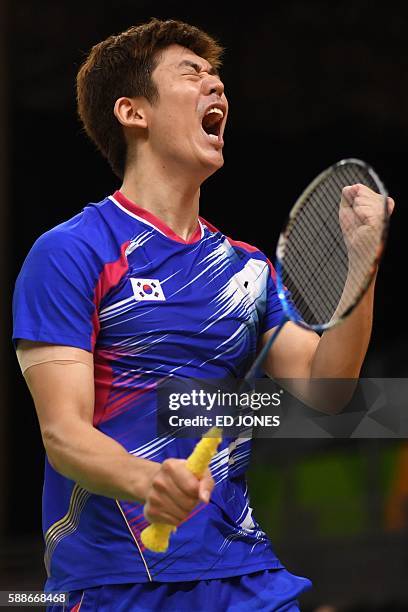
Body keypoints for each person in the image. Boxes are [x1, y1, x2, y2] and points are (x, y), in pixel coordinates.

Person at [12, 18, 394, 612]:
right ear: (132, 112)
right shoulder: (72, 251)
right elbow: (63, 432)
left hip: (246, 570)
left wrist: (362, 269)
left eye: (218, 77)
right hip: (120, 576)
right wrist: (148, 482)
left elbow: (329, 387)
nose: (217, 87)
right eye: (192, 74)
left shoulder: (246, 267)